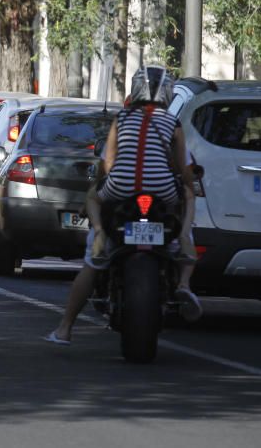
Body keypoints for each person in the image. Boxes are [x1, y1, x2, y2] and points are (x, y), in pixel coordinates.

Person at [44, 65, 201, 346]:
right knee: (189, 195)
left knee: (93, 243)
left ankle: (65, 327)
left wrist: (105, 185)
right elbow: (186, 174)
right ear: (166, 92)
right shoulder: (172, 124)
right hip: (163, 190)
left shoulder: (122, 118)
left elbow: (107, 164)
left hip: (120, 190)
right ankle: (184, 273)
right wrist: (184, 181)